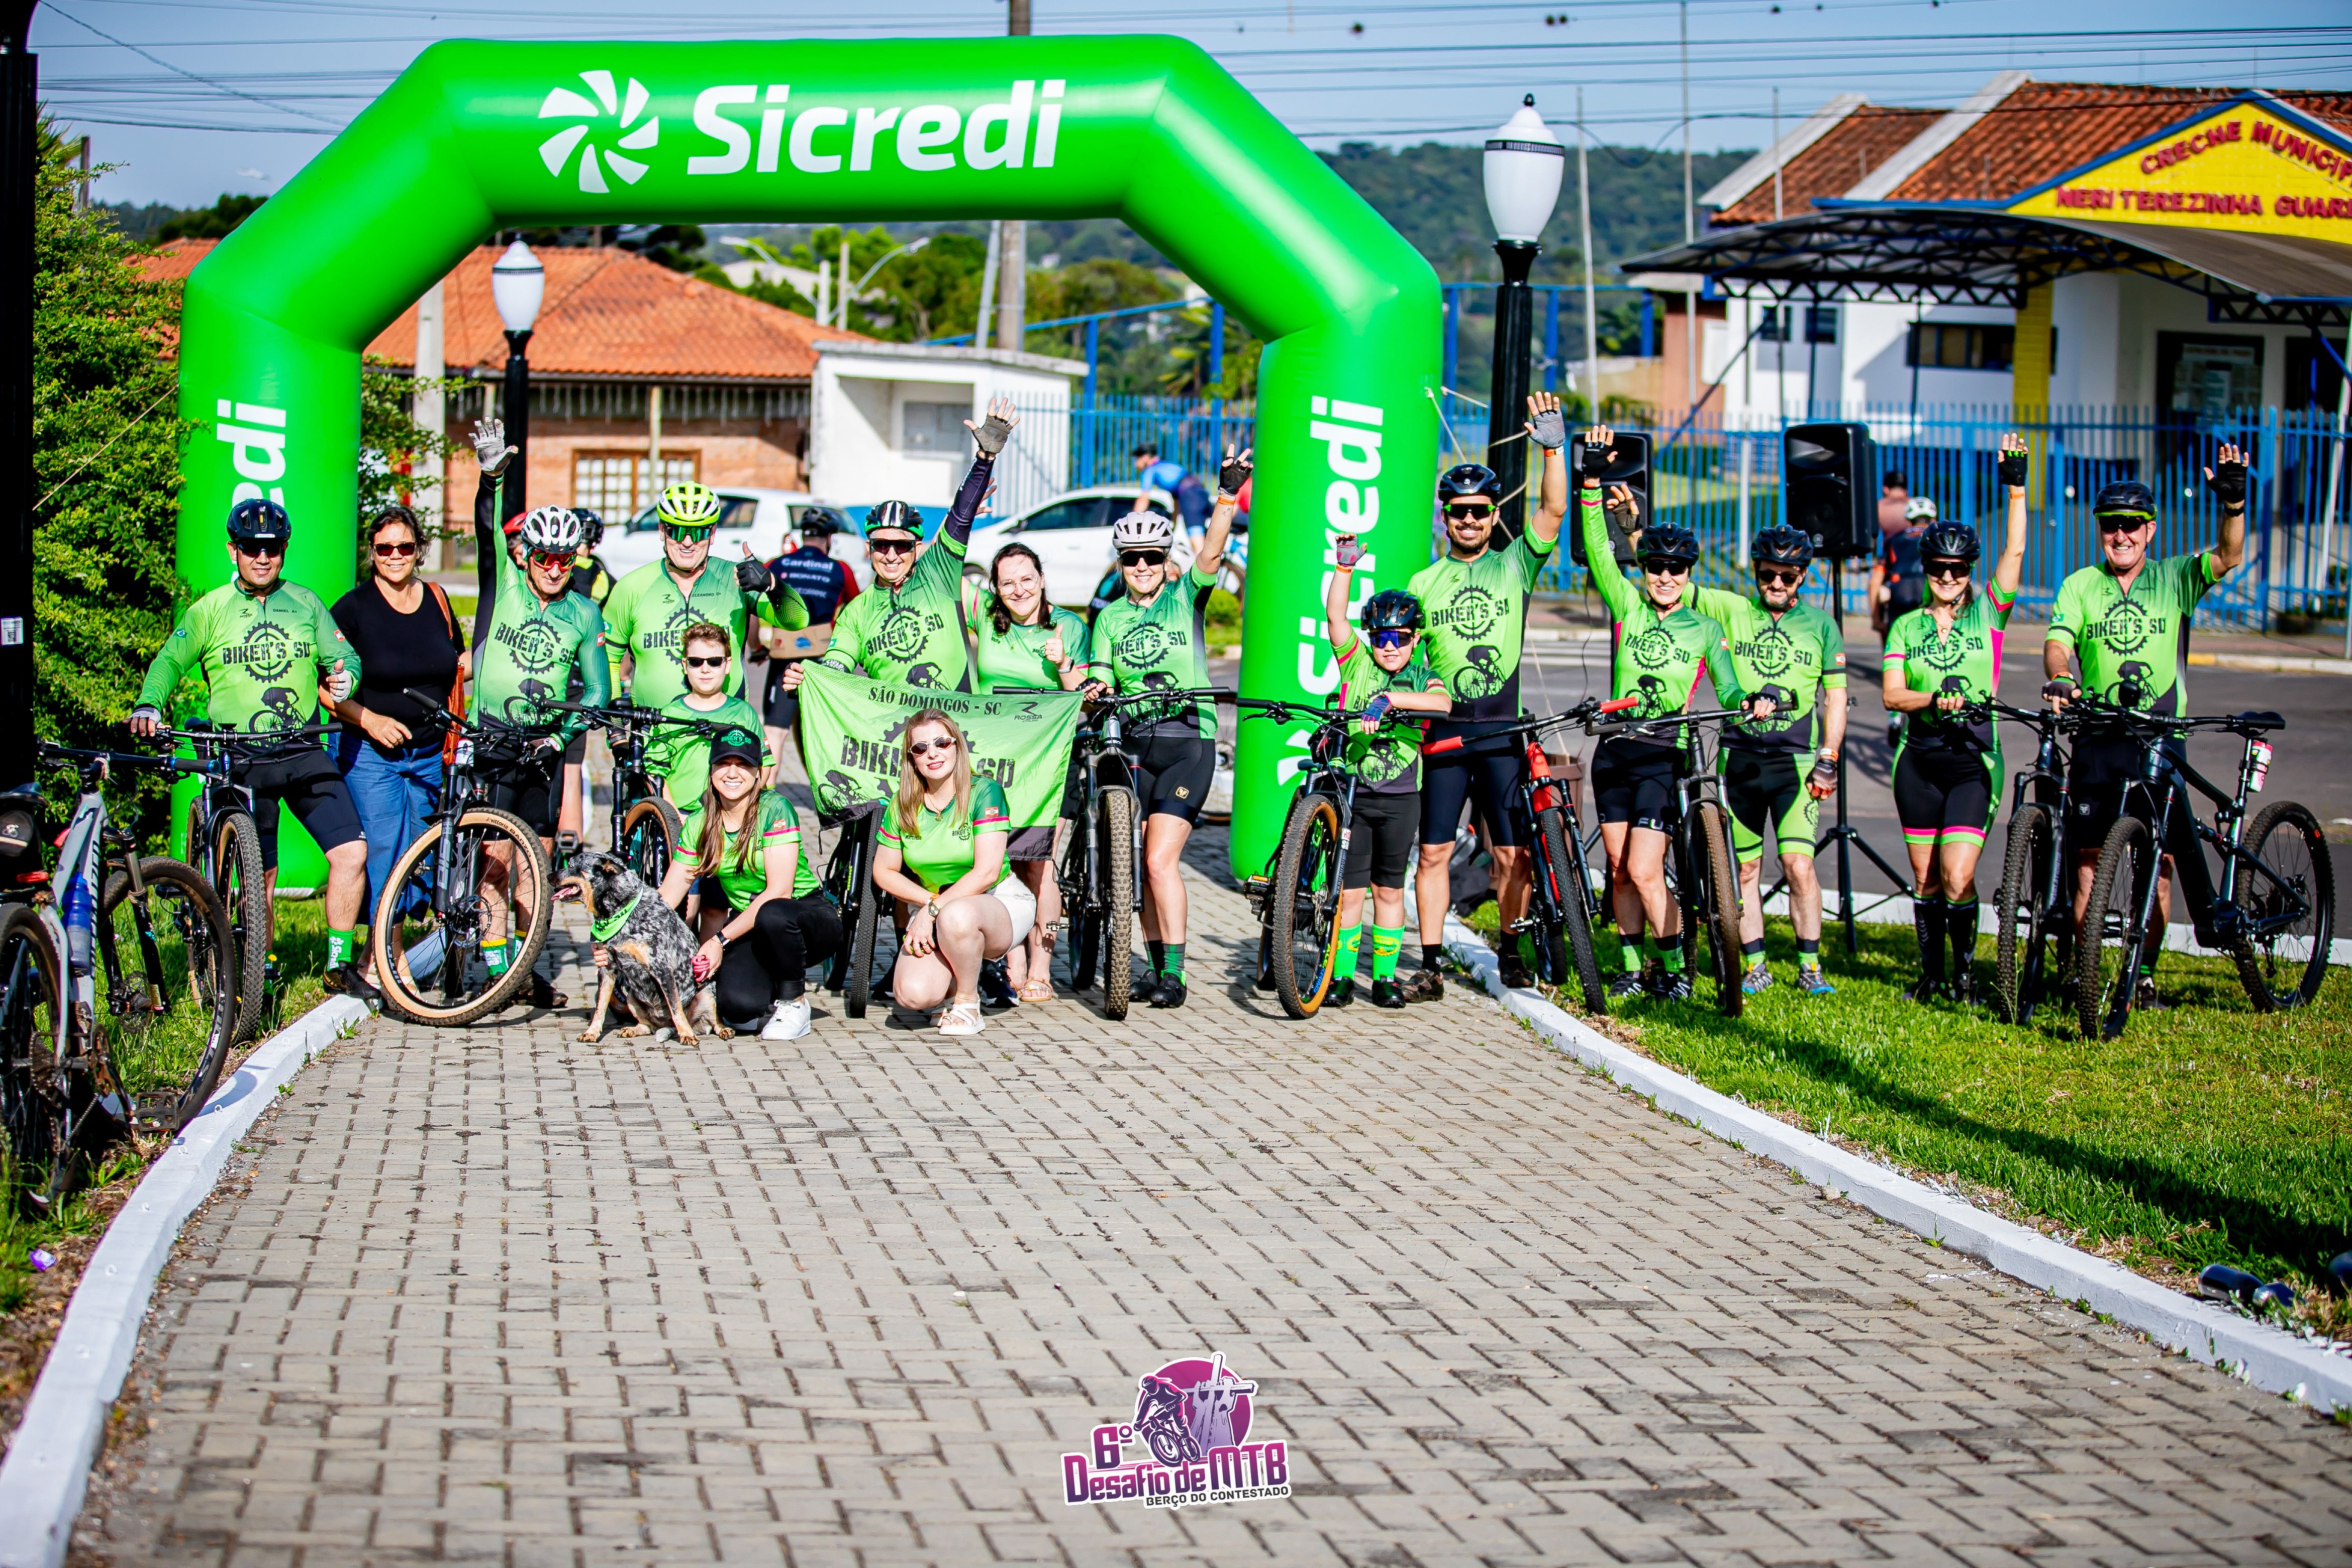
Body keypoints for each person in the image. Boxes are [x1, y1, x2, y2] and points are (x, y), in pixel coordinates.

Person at [129, 498, 374, 997]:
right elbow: (169, 661)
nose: (263, 558)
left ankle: (337, 963)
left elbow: (344, 656)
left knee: (352, 853)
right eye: (251, 548)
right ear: (233, 550)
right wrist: (150, 704)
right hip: (241, 756)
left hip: (302, 748)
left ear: (284, 550)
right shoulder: (210, 609)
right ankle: (254, 970)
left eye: (273, 549)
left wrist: (346, 678)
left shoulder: (305, 603)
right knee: (260, 877)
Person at [2044, 444, 2248, 1010]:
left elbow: (2229, 555)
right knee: (2088, 861)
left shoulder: (2175, 577)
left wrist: (2233, 503)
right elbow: (2058, 642)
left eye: (2132, 524)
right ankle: (2087, 971)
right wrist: (2060, 676)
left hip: (2159, 736)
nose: (2122, 534)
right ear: (2100, 530)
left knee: (2158, 863)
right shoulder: (2080, 584)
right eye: (2112, 525)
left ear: (2151, 530)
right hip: (2097, 733)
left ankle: (2146, 972)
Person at [1576, 423, 1767, 1001]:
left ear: (1689, 574)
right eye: (1655, 567)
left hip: (1664, 755)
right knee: (1617, 869)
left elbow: (1728, 688)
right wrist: (1591, 482)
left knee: (1643, 868)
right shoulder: (1628, 607)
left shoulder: (1704, 628)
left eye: (1676, 569)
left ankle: (1675, 968)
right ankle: (1633, 968)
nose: (1664, 577)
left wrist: (1749, 702)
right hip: (1614, 749)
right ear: (1645, 569)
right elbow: (1598, 551)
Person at [1408, 391, 1570, 997]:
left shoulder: (1515, 565)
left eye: (1480, 512)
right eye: (1460, 512)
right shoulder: (1424, 582)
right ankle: (1429, 965)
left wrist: (1553, 448)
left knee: (1512, 858)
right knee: (1433, 855)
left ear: (1492, 513)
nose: (1470, 521)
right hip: (1446, 738)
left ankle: (1511, 949)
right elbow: (1404, 660)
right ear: (1445, 516)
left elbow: (1554, 509)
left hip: (1502, 735)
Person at [1081, 447, 1247, 1010]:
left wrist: (1226, 495)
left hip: (1187, 741)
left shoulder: (1184, 597)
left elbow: (1213, 550)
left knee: (1158, 861)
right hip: (1134, 747)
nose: (1143, 567)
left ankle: (1175, 975)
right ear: (1122, 564)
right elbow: (1103, 672)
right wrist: (1096, 686)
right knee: (1140, 865)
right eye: (1133, 560)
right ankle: (1154, 970)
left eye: (1152, 557)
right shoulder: (1109, 618)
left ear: (1164, 558)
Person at [466, 420, 611, 1006]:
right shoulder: (503, 584)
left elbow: (597, 693)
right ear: (528, 555)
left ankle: (523, 971)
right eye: (545, 557)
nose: (554, 568)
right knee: (495, 861)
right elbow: (485, 530)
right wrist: (490, 481)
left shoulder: (584, 613)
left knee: (537, 864)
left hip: (543, 745)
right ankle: (498, 969)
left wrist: (561, 736)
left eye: (564, 560)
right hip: (494, 736)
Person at [1884, 435, 2031, 1005]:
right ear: (1926, 568)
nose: (1948, 577)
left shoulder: (1988, 615)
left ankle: (1966, 977)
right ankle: (1932, 977)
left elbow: (2014, 553)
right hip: (1918, 761)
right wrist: (1932, 699)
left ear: (1970, 571)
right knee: (1924, 879)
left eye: (1958, 569)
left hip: (1973, 760)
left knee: (1957, 875)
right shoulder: (1906, 626)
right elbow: (1893, 696)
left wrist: (2016, 489)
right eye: (1939, 569)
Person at [1687, 524, 1847, 997]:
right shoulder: (1733, 610)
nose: (1777, 584)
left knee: (1798, 864)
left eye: (1788, 577)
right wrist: (1634, 533)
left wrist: (1829, 756)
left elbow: (1836, 698)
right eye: (1767, 575)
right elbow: (1670, 578)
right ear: (1755, 572)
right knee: (1745, 870)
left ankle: (1810, 965)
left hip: (1795, 762)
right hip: (1739, 757)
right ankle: (1756, 964)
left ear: (1803, 578)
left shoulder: (1821, 625)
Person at [783, 397, 1019, 696]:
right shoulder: (856, 613)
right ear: (868, 548)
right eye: (882, 545)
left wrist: (985, 458)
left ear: (917, 548)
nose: (891, 555)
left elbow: (959, 518)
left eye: (902, 546)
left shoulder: (938, 577)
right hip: (896, 725)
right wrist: (808, 679)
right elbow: (836, 666)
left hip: (957, 722)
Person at [328, 505, 466, 982]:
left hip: (431, 753)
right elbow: (326, 689)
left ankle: (382, 950)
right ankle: (387, 956)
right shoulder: (353, 609)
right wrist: (369, 719)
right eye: (384, 548)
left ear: (419, 550)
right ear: (372, 553)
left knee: (417, 856)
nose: (394, 556)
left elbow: (458, 662)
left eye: (404, 547)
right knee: (386, 851)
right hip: (373, 756)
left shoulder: (438, 600)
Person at [1317, 555, 1450, 1008]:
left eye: (1401, 638)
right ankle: (1341, 978)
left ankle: (1385, 980)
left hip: (1401, 799)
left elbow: (1443, 704)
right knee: (1350, 892)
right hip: (1356, 796)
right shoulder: (1357, 664)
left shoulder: (1423, 676)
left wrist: (1390, 699)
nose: (1390, 647)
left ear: (1415, 639)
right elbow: (1336, 616)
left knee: (1389, 890)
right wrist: (1344, 569)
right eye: (1382, 638)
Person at [653, 726, 836, 1041]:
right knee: (737, 1008)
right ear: (711, 771)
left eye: (744, 765)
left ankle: (795, 1003)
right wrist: (612, 934)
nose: (732, 773)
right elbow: (668, 895)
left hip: (804, 916)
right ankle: (770, 986)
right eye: (724, 763)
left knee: (773, 913)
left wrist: (718, 941)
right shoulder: (698, 823)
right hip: (751, 925)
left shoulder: (775, 808)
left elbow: (780, 891)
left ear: (758, 773)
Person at [965, 541, 1090, 1000]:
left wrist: (1063, 664)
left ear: (1042, 579)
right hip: (994, 756)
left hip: (1050, 757)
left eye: (1027, 579)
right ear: (995, 589)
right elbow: (941, 564)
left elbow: (1085, 693)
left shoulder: (1069, 626)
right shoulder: (985, 617)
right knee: (999, 859)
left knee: (1039, 860)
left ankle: (1041, 967)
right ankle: (1012, 958)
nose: (1019, 590)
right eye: (1007, 583)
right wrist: (968, 504)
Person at [868, 710, 1038, 1036]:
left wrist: (933, 909)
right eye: (920, 748)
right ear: (912, 759)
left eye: (942, 743)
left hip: (998, 902)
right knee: (913, 995)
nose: (932, 753)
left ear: (957, 746)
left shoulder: (984, 791)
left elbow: (987, 871)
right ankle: (948, 992)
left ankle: (967, 1003)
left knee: (956, 915)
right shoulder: (902, 804)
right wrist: (929, 904)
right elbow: (884, 872)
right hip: (937, 906)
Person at [603, 479, 809, 713]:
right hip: (654, 730)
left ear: (712, 534)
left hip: (725, 727)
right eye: (677, 531)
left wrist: (773, 585)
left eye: (698, 532)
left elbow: (798, 621)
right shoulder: (632, 587)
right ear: (662, 531)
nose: (687, 542)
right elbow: (609, 661)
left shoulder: (736, 579)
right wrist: (617, 727)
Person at [759, 505, 861, 755]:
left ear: (803, 535)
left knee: (774, 732)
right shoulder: (841, 570)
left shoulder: (775, 565)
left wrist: (757, 646)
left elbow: (755, 606)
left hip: (783, 656)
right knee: (821, 734)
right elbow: (856, 611)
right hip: (822, 658)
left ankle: (767, 782)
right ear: (829, 539)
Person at [647, 622, 771, 808]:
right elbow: (654, 774)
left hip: (731, 813)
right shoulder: (669, 714)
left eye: (714, 662)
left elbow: (765, 764)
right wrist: (673, 817)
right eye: (696, 662)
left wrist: (742, 807)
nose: (705, 669)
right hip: (681, 814)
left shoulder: (744, 713)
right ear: (685, 666)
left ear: (727, 665)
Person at [1871, 495, 1935, 746]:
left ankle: (1895, 717)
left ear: (1908, 520)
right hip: (1925, 595)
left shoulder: (1894, 540)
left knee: (1897, 660)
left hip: (1899, 595)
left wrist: (1876, 618)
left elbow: (1876, 581)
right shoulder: (1935, 537)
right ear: (1933, 519)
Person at [1131, 444, 1210, 537]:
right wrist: (1173, 526)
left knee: (1196, 536)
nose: (1135, 464)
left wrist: (1133, 521)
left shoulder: (1150, 470)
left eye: (1137, 459)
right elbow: (1177, 500)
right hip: (1200, 492)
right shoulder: (1165, 465)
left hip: (1190, 496)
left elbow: (1144, 499)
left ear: (1145, 457)